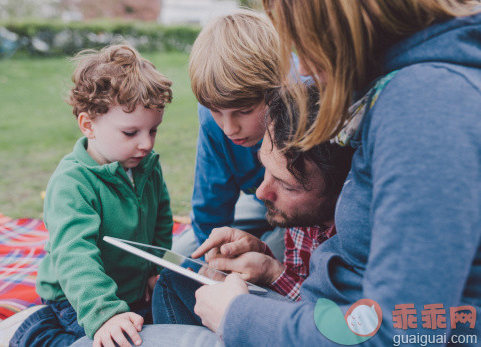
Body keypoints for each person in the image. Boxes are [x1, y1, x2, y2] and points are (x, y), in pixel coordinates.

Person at [95, 1, 481, 346]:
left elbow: (400, 333)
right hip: (319, 310)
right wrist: (272, 270)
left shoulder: (427, 104)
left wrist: (239, 316)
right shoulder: (406, 89)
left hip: (325, 325)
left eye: (297, 33)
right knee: (180, 281)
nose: (304, 67)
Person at [149, 85, 354, 327]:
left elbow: (335, 329)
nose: (261, 192)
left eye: (286, 185)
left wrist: (271, 275)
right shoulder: (304, 215)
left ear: (340, 190)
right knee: (172, 280)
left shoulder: (358, 240)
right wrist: (263, 257)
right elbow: (301, 280)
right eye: (265, 168)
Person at [10, 44, 174, 347]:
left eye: (153, 130)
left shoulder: (147, 167)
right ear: (88, 125)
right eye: (131, 133)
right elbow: (74, 255)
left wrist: (156, 270)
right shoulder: (72, 183)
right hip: (79, 297)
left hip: (131, 288)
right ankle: (37, 333)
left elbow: (161, 222)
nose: (146, 143)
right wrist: (104, 314)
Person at [171, 9, 287, 259]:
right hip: (260, 204)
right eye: (216, 111)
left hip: (304, 219)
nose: (229, 128)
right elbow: (211, 199)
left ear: (276, 90)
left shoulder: (303, 104)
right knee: (181, 254)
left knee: (269, 255)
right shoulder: (214, 123)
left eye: (244, 111)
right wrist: (210, 255)